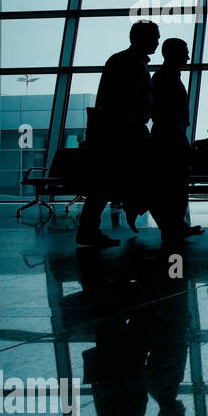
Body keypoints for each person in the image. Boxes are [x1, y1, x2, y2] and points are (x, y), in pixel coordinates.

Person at [77, 19, 161, 248]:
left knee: (103, 185)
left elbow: (107, 100)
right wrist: (129, 130)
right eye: (155, 37)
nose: (157, 41)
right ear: (143, 39)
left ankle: (90, 229)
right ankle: (142, 215)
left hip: (115, 131)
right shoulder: (134, 64)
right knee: (113, 182)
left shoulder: (119, 60)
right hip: (125, 132)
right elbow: (129, 103)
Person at [150, 38, 203, 243]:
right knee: (175, 185)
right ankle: (172, 227)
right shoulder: (167, 78)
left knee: (172, 186)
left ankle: (174, 226)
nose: (189, 56)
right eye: (185, 52)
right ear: (172, 54)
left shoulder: (165, 77)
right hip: (171, 138)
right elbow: (170, 116)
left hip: (169, 136)